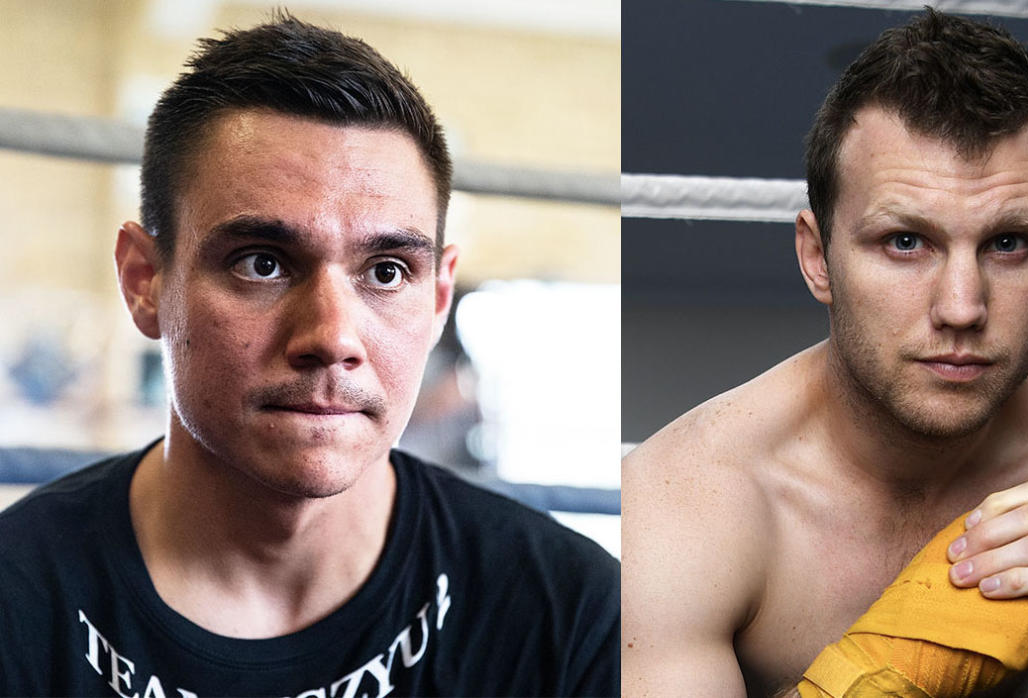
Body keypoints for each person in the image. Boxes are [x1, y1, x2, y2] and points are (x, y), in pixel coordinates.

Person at [622, 9, 1028, 697]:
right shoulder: (690, 503)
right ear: (816, 258)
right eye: (906, 242)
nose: (961, 308)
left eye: (1009, 244)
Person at [0, 14, 619, 697]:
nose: (332, 336)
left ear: (439, 296)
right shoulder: (18, 601)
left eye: (386, 272)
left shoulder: (568, 613)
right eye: (262, 263)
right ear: (145, 282)